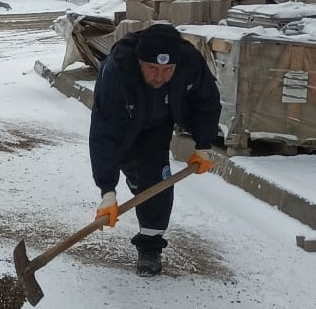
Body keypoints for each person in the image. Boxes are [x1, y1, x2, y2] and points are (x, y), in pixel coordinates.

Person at [89, 22, 221, 277]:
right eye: (152, 68)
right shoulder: (116, 72)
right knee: (133, 170)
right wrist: (107, 189)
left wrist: (203, 145)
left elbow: (207, 102)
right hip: (124, 122)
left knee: (156, 180)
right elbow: (104, 135)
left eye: (167, 70)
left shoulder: (190, 63)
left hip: (159, 122)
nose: (159, 77)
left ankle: (150, 247)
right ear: (139, 62)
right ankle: (135, 178)